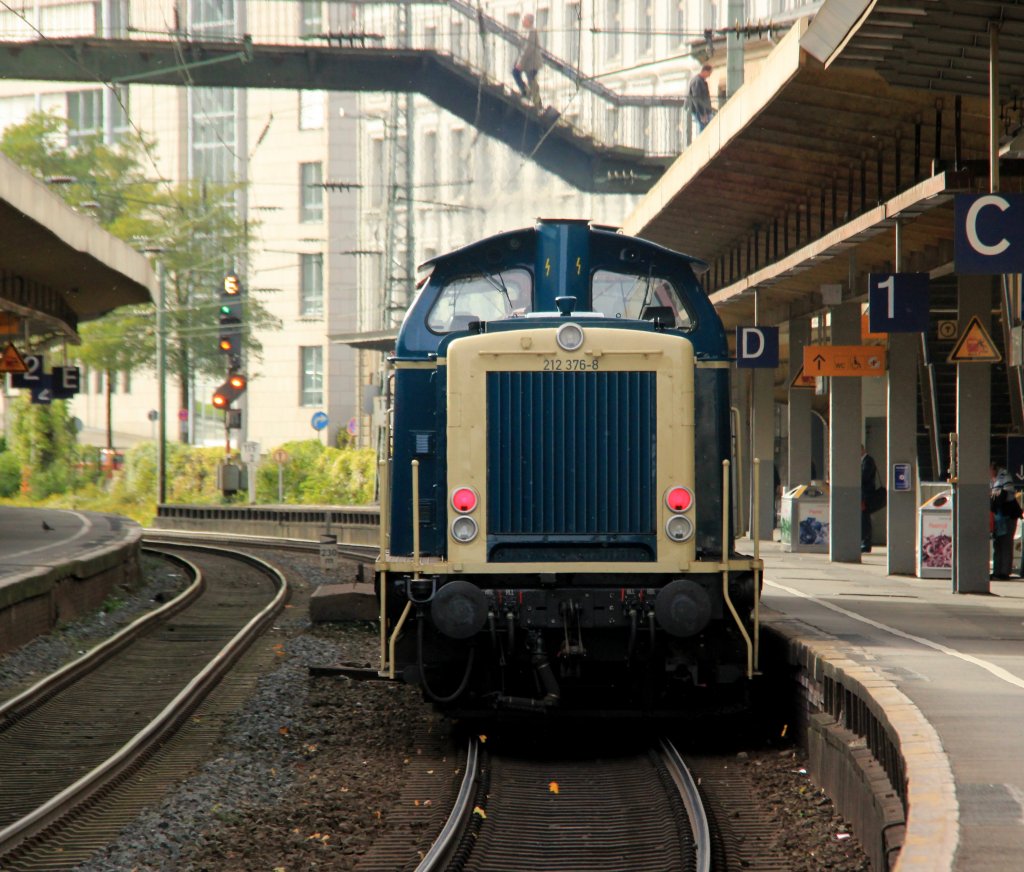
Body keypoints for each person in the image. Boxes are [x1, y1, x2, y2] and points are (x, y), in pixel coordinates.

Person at [990, 462, 1021, 579]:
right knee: (997, 543)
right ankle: (996, 571)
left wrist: (993, 494)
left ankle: (1004, 572)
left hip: (1007, 514)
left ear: (993, 467)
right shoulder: (989, 480)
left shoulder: (1004, 475)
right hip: (996, 515)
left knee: (1006, 542)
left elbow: (1008, 493)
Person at [513, 13, 542, 110]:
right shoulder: (527, 31)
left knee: (531, 81)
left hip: (532, 62)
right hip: (528, 62)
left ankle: (536, 103)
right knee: (527, 79)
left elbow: (528, 48)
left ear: (528, 21)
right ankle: (526, 92)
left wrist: (520, 62)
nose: (522, 21)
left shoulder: (531, 32)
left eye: (524, 20)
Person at [860, 445, 878, 553]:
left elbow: (864, 477)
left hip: (866, 494)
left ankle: (866, 543)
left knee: (865, 519)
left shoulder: (868, 461)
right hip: (864, 494)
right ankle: (864, 541)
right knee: (863, 519)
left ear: (863, 450)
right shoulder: (864, 461)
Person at [687, 62, 714, 133]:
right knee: (704, 130)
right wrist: (702, 113)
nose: (709, 75)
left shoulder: (700, 81)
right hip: (699, 111)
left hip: (703, 110)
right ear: (705, 71)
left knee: (706, 129)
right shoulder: (697, 81)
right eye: (709, 73)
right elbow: (696, 98)